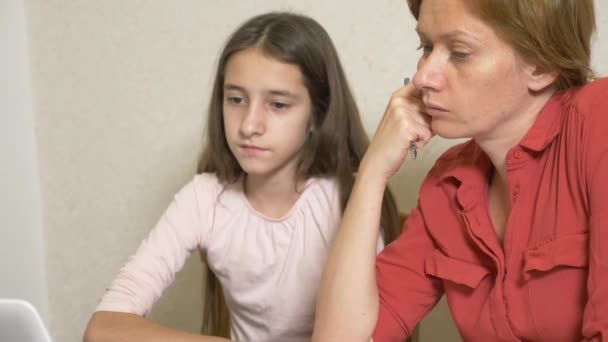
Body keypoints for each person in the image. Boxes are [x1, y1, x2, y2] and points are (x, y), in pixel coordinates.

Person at [83, 11, 401, 342]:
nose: (249, 125)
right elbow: (103, 329)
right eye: (236, 99)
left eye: (277, 104)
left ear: (316, 114)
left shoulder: (349, 200)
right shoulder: (205, 198)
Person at [313, 0, 606, 341]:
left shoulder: (599, 121)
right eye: (426, 47)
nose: (422, 77)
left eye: (460, 52)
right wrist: (372, 171)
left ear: (540, 65)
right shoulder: (447, 185)